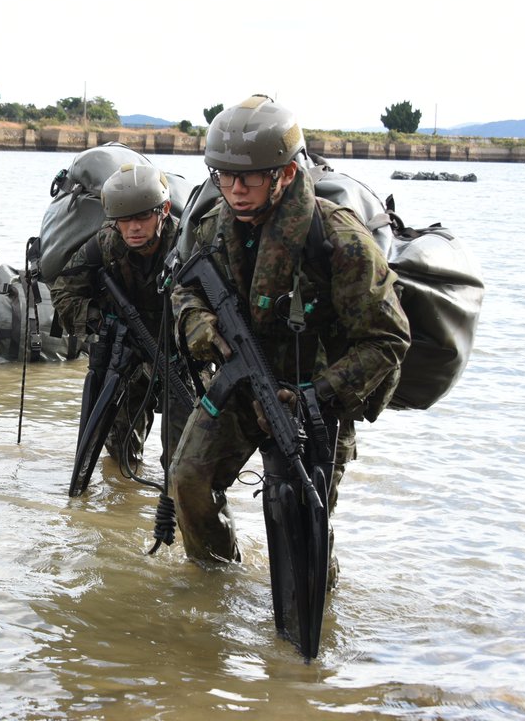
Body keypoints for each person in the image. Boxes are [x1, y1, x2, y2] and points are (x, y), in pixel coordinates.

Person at [168, 95, 410, 583]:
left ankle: (314, 617)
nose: (235, 189)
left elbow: (388, 340)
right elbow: (185, 289)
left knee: (306, 522)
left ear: (285, 173)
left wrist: (315, 395)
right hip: (238, 386)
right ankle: (217, 586)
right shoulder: (214, 228)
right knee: (188, 480)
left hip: (317, 400)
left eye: (250, 177)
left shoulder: (337, 239)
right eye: (224, 177)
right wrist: (196, 323)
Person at [50, 163, 192, 468]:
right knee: (119, 457)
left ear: (163, 210)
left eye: (142, 216)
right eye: (124, 220)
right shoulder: (106, 242)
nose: (134, 228)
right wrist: (103, 323)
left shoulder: (186, 244)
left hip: (182, 358)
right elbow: (63, 290)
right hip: (129, 354)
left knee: (185, 461)